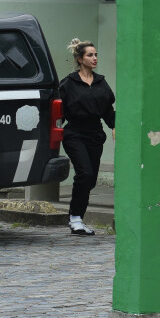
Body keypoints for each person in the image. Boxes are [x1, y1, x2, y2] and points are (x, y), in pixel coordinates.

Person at [59, 38, 115, 236]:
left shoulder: (101, 82)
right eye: (90, 55)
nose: (95, 58)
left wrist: (116, 126)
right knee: (84, 173)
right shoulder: (68, 84)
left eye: (96, 54)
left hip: (95, 134)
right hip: (74, 133)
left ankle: (77, 217)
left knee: (90, 179)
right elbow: (59, 112)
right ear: (80, 59)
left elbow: (108, 111)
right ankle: (75, 218)